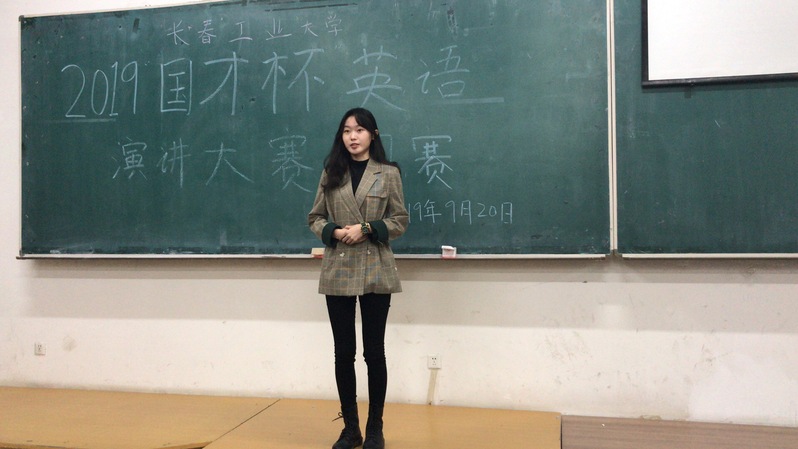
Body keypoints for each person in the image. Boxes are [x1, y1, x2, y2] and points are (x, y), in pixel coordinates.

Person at [308, 107, 409, 449]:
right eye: (347, 130)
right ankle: (350, 429)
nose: (352, 136)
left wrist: (366, 228)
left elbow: (400, 220)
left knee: (374, 352)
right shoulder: (331, 172)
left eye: (360, 130)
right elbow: (315, 217)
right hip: (338, 266)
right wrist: (336, 231)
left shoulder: (388, 173)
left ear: (372, 134)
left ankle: (375, 428)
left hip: (375, 266)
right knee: (343, 353)